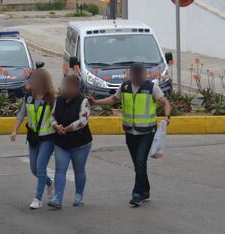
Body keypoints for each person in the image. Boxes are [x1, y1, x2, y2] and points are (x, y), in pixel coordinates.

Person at [88, 63, 171, 207]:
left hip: (146, 132)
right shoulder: (125, 87)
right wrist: (96, 102)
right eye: (135, 73)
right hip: (130, 132)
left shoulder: (151, 88)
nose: (137, 76)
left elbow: (165, 102)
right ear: (130, 74)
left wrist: (167, 116)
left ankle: (137, 194)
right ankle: (145, 191)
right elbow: (114, 99)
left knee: (140, 162)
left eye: (140, 73)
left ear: (144, 74)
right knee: (138, 164)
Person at [11, 68, 56, 209]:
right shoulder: (28, 98)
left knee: (40, 167)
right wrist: (14, 131)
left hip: (48, 138)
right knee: (34, 169)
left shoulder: (51, 100)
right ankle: (49, 183)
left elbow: (57, 117)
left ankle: (37, 199)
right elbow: (21, 115)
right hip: (33, 137)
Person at [49, 74, 92, 209]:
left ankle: (79, 196)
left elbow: (82, 121)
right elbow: (51, 116)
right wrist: (56, 126)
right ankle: (57, 198)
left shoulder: (83, 101)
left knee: (79, 170)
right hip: (61, 142)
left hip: (80, 143)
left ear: (76, 88)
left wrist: (66, 129)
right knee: (60, 170)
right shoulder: (59, 100)